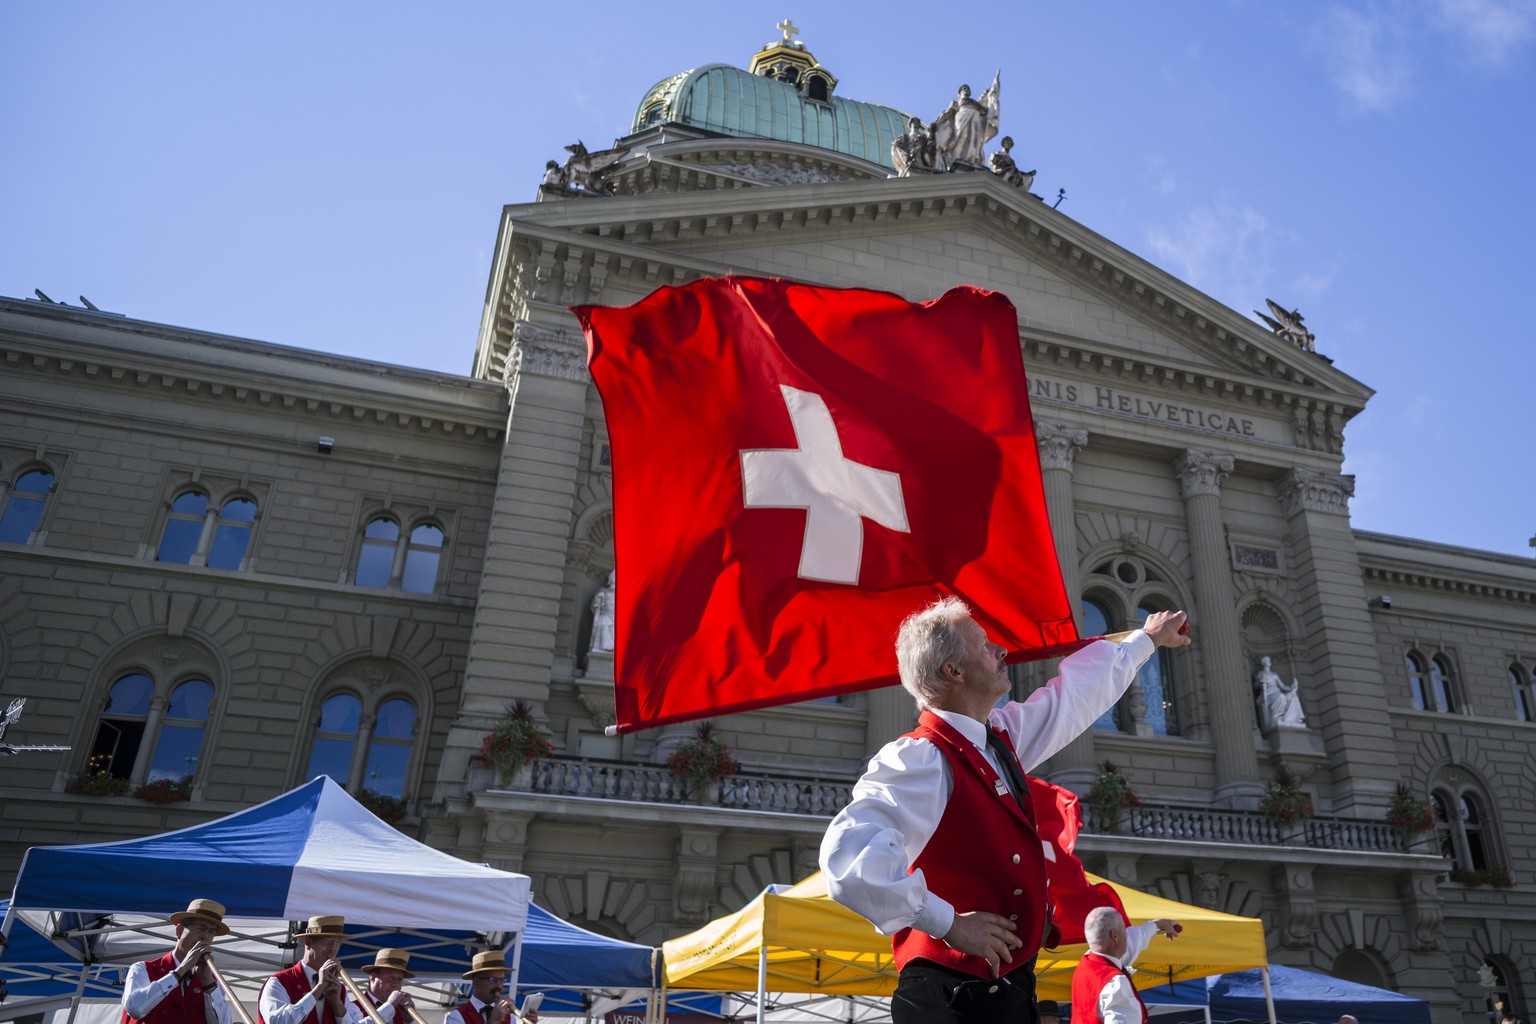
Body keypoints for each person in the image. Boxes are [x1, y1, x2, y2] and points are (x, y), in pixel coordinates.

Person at [821, 596, 1191, 1024]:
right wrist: (947, 923)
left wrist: (1146, 639)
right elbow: (846, 861)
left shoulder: (997, 739)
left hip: (1003, 992)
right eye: (982, 644)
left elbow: (1074, 697)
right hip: (951, 998)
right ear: (953, 672)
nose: (1001, 651)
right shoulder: (920, 758)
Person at [121, 899, 234, 1024]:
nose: (205, 936)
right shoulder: (143, 969)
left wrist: (208, 985)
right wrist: (180, 971)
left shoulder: (212, 980)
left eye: (211, 931)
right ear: (179, 931)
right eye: (201, 928)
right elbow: (134, 1009)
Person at [1070, 907, 1182, 1024]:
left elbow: (1132, 943)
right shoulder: (1115, 982)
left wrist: (1157, 925)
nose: (1126, 935)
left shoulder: (1086, 963)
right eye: (1123, 930)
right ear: (1115, 935)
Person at [259, 916, 359, 1024]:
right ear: (308, 942)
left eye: (338, 942)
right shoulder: (279, 982)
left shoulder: (339, 990)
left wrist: (337, 1006)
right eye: (327, 940)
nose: (333, 949)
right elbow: (277, 1022)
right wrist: (318, 989)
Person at [444, 951, 538, 1024]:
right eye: (493, 980)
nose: (499, 986)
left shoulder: (509, 1016)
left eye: (501, 980)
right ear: (476, 982)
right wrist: (493, 1021)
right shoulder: (457, 1016)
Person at [357, 949, 416, 1024]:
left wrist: (410, 1021)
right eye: (391, 978)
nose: (395, 984)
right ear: (373, 977)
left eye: (400, 979)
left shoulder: (401, 1011)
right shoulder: (353, 1007)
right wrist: (389, 1006)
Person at [1253, 656, 1305, 730]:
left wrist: (1291, 688)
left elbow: (1282, 686)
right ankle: (1276, 717)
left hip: (1277, 692)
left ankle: (1294, 718)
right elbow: (1256, 685)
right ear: (1263, 663)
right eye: (1267, 660)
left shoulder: (1274, 674)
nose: (1269, 661)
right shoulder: (1261, 673)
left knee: (1292, 696)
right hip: (1269, 694)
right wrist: (1261, 683)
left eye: (1269, 660)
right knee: (1281, 697)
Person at [589, 571, 616, 653]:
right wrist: (598, 600)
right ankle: (607, 646)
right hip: (607, 616)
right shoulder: (603, 591)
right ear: (611, 579)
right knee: (602, 620)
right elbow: (595, 605)